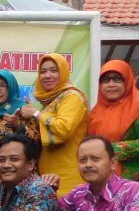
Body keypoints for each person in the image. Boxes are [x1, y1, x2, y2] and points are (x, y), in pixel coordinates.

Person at [17, 54, 88, 196]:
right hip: (48, 179)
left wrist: (36, 114)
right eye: (43, 72)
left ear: (63, 72)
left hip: (68, 180)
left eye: (54, 70)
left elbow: (63, 129)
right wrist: (19, 123)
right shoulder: (49, 103)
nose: (47, 75)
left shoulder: (72, 97)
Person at [88, 60, 139, 183]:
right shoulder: (96, 112)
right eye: (105, 80)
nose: (111, 84)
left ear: (127, 82)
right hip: (100, 178)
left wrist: (111, 149)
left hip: (131, 181)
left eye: (117, 79)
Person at [0, 70, 40, 192]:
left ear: (11, 88)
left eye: (2, 85)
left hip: (22, 188)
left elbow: (37, 144)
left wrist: (18, 126)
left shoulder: (23, 112)